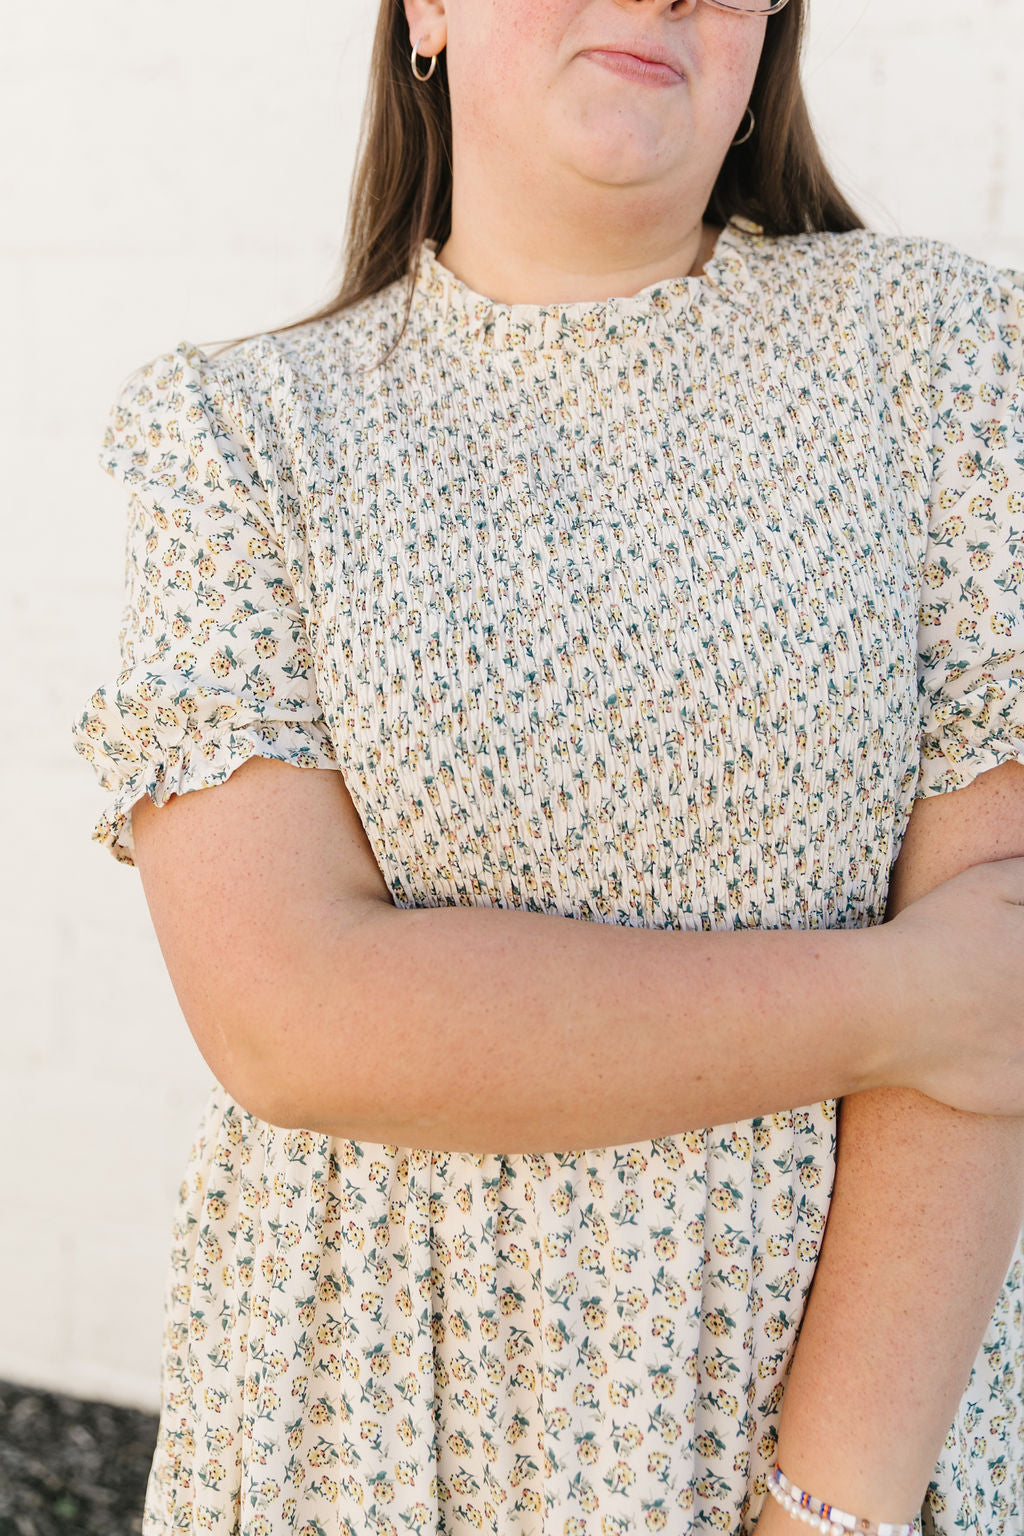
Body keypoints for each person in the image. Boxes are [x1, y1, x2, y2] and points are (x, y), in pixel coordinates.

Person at [70, 0, 1024, 1533]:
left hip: (844, 1438)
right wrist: (917, 1002)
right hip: (361, 1438)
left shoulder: (941, 355)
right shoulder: (238, 437)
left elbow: (1003, 1040)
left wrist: (826, 1511)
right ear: (427, 9)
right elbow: (287, 1020)